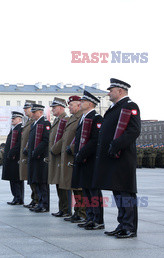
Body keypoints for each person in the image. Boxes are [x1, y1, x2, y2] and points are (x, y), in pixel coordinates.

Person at [93, 78, 141, 238]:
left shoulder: (130, 106)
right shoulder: (116, 108)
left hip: (123, 157)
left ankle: (130, 227)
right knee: (118, 192)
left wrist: (116, 145)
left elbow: (133, 131)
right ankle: (122, 224)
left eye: (111, 90)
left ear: (120, 91)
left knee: (126, 193)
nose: (108, 93)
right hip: (114, 157)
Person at [72, 90, 104, 230]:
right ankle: (90, 217)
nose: (80, 103)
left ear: (90, 103)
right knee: (85, 190)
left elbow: (96, 140)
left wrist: (82, 154)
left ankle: (98, 220)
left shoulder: (96, 118)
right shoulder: (84, 118)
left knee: (93, 191)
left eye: (83, 101)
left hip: (90, 160)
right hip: (82, 160)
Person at [60, 96, 87, 223]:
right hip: (69, 155)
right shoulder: (73, 118)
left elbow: (82, 136)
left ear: (78, 105)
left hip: (74, 154)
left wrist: (72, 147)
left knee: (79, 187)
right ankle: (77, 211)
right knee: (74, 186)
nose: (69, 107)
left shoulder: (81, 117)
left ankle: (82, 213)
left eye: (71, 105)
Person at [25, 104, 51, 213]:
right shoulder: (34, 124)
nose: (33, 114)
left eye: (34, 112)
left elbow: (45, 141)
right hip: (34, 157)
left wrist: (36, 151)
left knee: (42, 182)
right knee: (36, 182)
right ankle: (40, 202)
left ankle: (44, 204)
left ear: (40, 112)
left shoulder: (45, 123)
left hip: (40, 158)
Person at [48, 97, 70, 217]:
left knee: (63, 184)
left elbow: (63, 138)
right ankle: (62, 208)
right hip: (55, 156)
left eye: (54, 108)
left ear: (61, 108)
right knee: (58, 183)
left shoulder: (65, 119)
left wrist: (54, 149)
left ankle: (66, 209)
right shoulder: (57, 120)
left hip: (60, 155)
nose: (52, 110)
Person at [1, 111, 24, 205]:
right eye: (12, 118)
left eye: (14, 118)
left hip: (15, 158)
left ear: (19, 119)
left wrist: (11, 153)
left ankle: (18, 198)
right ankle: (16, 197)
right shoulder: (14, 128)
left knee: (16, 180)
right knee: (13, 179)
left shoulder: (20, 128)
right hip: (11, 158)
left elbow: (19, 144)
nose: (12, 120)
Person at [19, 100, 38, 209]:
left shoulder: (33, 122)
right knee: (30, 178)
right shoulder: (28, 121)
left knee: (33, 178)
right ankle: (34, 199)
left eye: (27, 108)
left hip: (30, 152)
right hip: (27, 153)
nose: (25, 110)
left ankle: (36, 199)